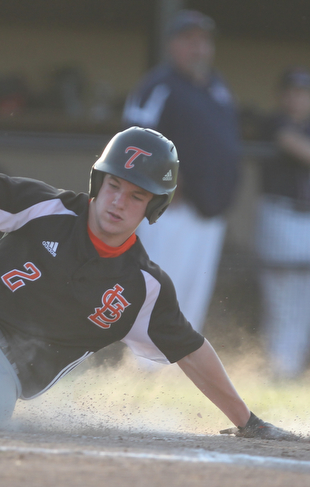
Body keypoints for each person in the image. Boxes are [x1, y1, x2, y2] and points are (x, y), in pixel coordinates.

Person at [0, 87, 294, 440]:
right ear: (97, 183)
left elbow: (193, 352)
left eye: (137, 194)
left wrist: (247, 422)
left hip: (2, 371)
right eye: (114, 185)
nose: (119, 201)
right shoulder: (46, 207)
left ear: (154, 208)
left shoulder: (142, 288)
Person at [122, 10, 242, 332]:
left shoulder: (217, 86)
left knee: (193, 292)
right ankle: (144, 366)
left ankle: (177, 364)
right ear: (172, 45)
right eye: (190, 40)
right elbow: (136, 138)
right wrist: (165, 186)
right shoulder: (158, 84)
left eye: (204, 41)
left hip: (209, 209)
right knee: (160, 285)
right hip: (171, 209)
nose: (199, 48)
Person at [255, 67, 310, 379]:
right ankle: (279, 365)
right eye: (290, 91)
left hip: (306, 218)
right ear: (281, 95)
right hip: (281, 214)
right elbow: (294, 146)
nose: (295, 98)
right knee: (282, 296)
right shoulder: (274, 121)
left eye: (302, 92)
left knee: (304, 297)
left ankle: (292, 368)